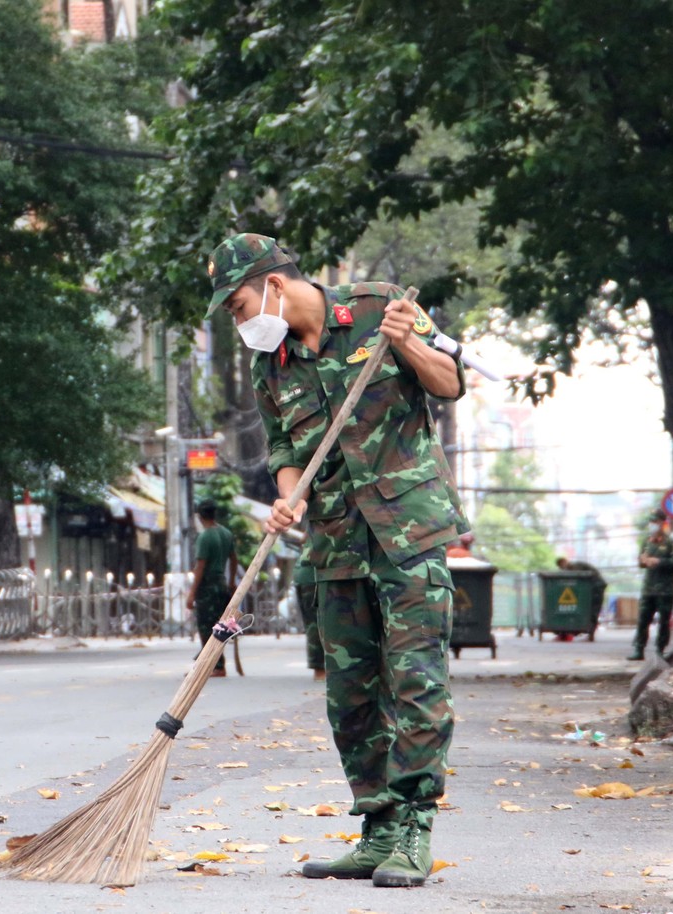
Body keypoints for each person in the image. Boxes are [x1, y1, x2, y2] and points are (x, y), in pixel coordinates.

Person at [206, 233, 469, 888]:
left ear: (272, 283)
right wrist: (286, 498)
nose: (240, 322)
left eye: (238, 306)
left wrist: (408, 343)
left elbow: (451, 381)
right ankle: (377, 828)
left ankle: (412, 828)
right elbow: (283, 453)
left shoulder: (382, 309)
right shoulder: (274, 369)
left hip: (409, 534)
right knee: (350, 694)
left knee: (414, 681)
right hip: (335, 542)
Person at [185, 500, 238, 677]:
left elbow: (200, 566)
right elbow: (234, 559)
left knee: (207, 627)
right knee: (219, 625)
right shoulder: (226, 533)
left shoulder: (205, 537)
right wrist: (231, 582)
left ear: (200, 516)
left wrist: (191, 593)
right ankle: (214, 664)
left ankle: (215, 666)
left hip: (207, 586)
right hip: (221, 583)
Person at [630, 508, 673, 661]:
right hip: (648, 588)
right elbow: (640, 562)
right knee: (642, 620)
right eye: (651, 522)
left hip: (665, 590)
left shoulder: (671, 542)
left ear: (661, 523)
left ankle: (660, 649)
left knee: (664, 621)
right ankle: (638, 649)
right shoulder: (646, 541)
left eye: (655, 522)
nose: (652, 525)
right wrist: (643, 560)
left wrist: (658, 561)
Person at [292, 549, 325, 680]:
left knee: (314, 623)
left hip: (307, 573)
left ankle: (320, 668)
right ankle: (320, 669)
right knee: (315, 624)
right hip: (313, 575)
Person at [555, 556, 608, 634]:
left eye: (562, 565)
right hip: (592, 587)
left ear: (564, 562)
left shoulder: (575, 566)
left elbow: (577, 578)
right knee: (589, 608)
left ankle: (591, 630)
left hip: (596, 586)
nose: (562, 568)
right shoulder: (573, 567)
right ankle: (587, 630)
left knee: (594, 608)